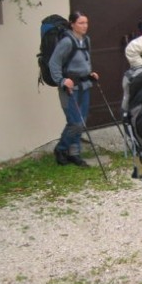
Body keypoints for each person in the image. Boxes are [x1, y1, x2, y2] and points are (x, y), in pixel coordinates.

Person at [49, 11, 99, 168]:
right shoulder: (66, 42)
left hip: (84, 85)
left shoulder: (86, 40)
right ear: (72, 24)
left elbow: (83, 61)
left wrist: (90, 73)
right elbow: (54, 63)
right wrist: (62, 80)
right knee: (75, 122)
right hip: (70, 88)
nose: (85, 26)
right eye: (81, 23)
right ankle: (61, 149)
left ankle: (74, 154)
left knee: (81, 121)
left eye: (86, 23)